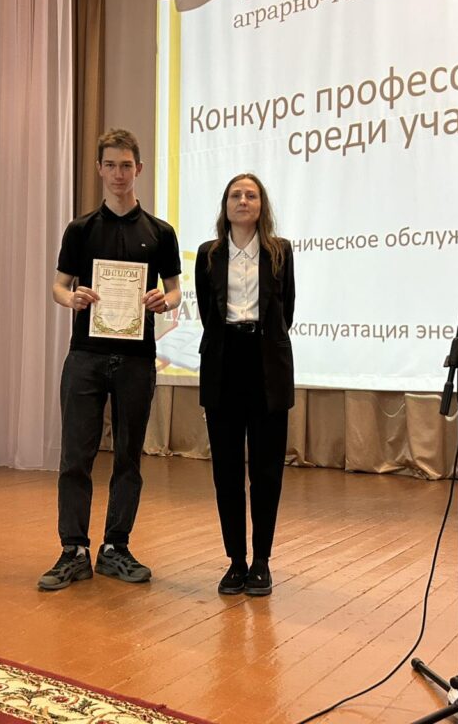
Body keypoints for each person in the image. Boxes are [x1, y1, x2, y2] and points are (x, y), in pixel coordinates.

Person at [38, 128, 182, 591]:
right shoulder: (80, 229)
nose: (119, 174)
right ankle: (73, 550)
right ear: (100, 169)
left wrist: (164, 300)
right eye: (111, 165)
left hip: (137, 359)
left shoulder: (160, 233)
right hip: (85, 356)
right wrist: (72, 299)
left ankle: (116, 547)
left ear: (138, 169)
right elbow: (58, 285)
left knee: (128, 457)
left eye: (126, 165)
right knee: (74, 457)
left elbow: (175, 290)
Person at [195, 173, 295, 597]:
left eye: (250, 195)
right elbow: (207, 311)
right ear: (225, 205)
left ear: (261, 205)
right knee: (227, 472)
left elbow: (286, 310)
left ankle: (262, 562)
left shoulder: (280, 251)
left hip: (267, 364)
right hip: (223, 365)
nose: (242, 201)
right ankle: (236, 561)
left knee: (267, 472)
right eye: (235, 195)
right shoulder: (208, 254)